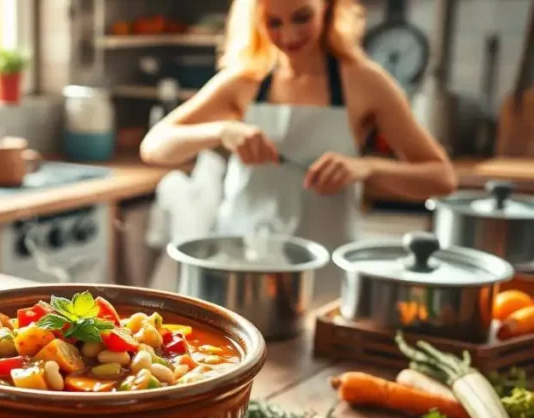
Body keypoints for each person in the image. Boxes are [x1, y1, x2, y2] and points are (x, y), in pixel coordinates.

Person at [140, 0, 455, 299]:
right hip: (241, 269)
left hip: (325, 273)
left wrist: (368, 168)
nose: (288, 35)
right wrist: (222, 131)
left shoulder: (365, 81)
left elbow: (441, 177)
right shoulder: (244, 80)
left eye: (302, 17)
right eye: (273, 23)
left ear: (327, 7)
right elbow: (154, 146)